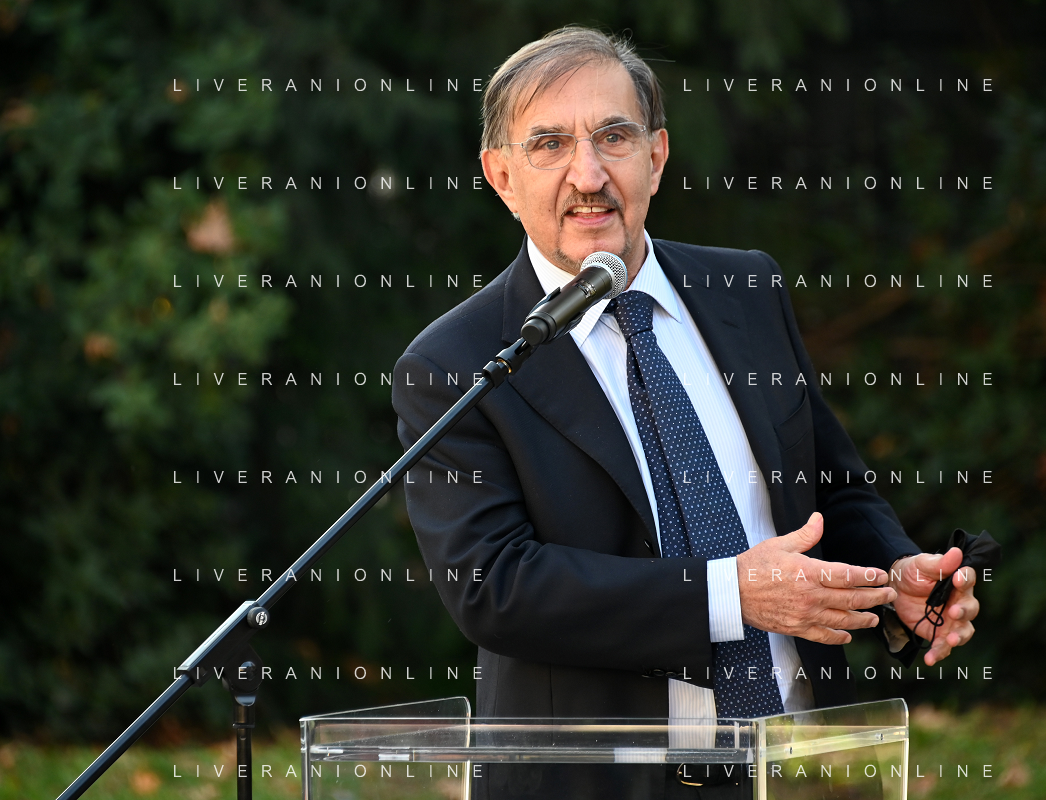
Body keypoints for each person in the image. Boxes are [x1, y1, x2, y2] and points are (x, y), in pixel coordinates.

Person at [393, 24, 977, 737]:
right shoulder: (455, 363)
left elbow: (829, 488)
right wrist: (730, 595)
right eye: (549, 145)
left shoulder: (746, 288)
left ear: (656, 156)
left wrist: (894, 575)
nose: (588, 175)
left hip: (802, 757)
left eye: (614, 137)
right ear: (502, 177)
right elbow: (496, 588)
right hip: (602, 773)